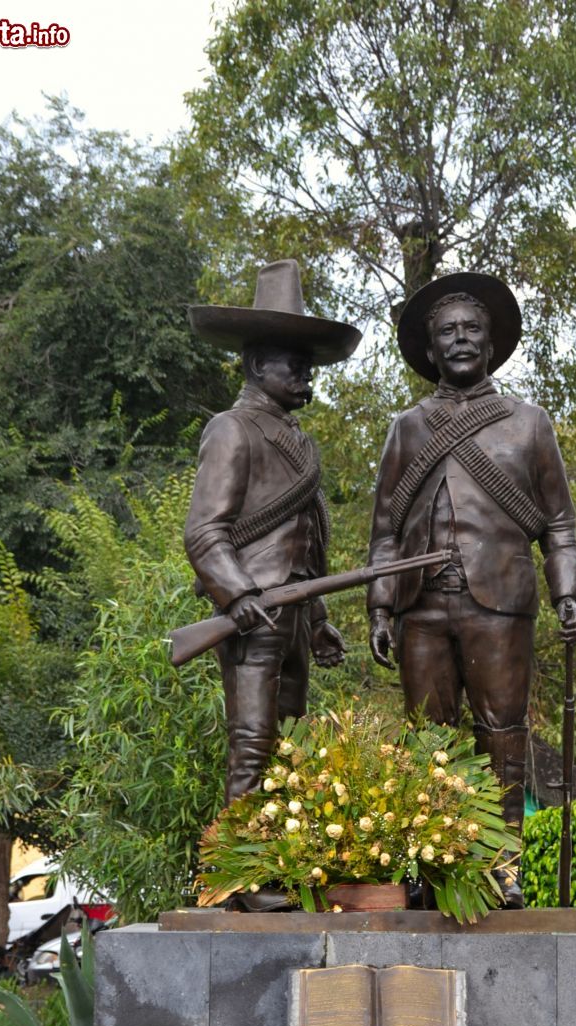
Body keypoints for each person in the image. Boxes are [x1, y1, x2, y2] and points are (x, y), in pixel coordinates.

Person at [367, 272, 576, 896]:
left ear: (491, 344)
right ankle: (431, 869)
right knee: (426, 743)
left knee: (502, 736)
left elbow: (560, 524)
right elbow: (384, 529)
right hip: (421, 608)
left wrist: (567, 592)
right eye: (447, 332)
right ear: (430, 349)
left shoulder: (529, 423)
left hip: (501, 603)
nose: (460, 340)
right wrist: (380, 610)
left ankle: (500, 867)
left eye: (471, 330)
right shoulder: (407, 428)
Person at [185, 260, 362, 804]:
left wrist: (319, 621)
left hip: (296, 610)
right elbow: (203, 532)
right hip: (253, 613)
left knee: (290, 745)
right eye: (296, 365)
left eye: (309, 366)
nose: (307, 376)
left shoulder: (300, 443)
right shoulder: (231, 430)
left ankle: (274, 865)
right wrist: (236, 594)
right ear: (259, 364)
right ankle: (240, 872)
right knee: (253, 743)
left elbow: (310, 538)